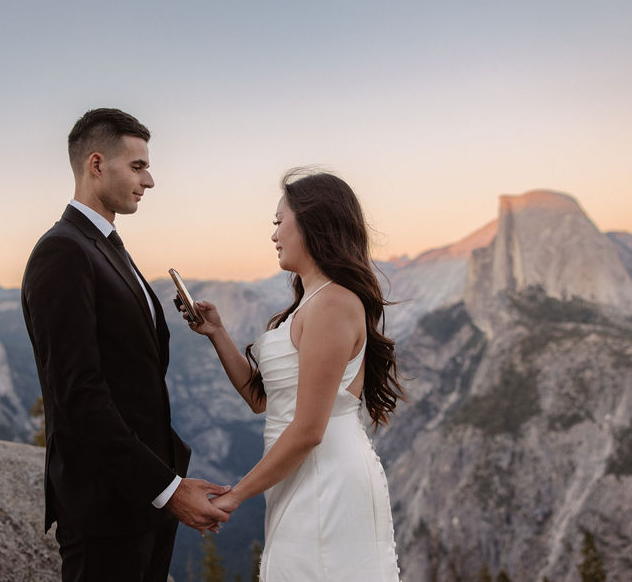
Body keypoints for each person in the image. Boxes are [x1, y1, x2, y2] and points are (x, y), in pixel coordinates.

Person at [21, 108, 232, 582]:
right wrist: (169, 490)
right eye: (138, 166)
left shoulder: (106, 245)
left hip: (141, 502)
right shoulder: (63, 252)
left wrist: (167, 482)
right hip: (103, 512)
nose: (150, 180)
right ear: (96, 164)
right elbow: (80, 396)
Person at [180, 169, 404, 581]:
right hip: (298, 475)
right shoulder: (311, 303)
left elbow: (307, 430)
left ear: (312, 222)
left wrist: (234, 496)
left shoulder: (333, 303)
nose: (274, 235)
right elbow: (263, 400)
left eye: (279, 222)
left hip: (326, 476)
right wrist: (217, 334)